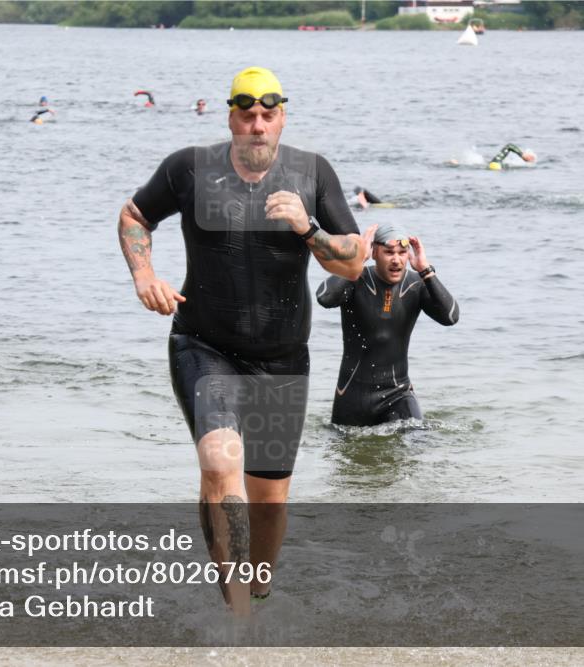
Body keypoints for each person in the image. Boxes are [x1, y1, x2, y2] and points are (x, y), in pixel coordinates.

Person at [117, 66, 364, 614]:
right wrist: (143, 275)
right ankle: (238, 615)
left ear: (281, 119)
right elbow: (136, 215)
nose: (256, 125)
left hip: (281, 357)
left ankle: (257, 586)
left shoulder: (312, 173)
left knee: (269, 500)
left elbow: (351, 263)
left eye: (267, 115)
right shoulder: (189, 168)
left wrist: (308, 227)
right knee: (218, 460)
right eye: (246, 114)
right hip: (203, 344)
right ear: (231, 115)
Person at [317, 222, 459, 426]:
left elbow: (451, 317)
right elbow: (325, 298)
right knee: (350, 454)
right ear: (374, 252)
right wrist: (356, 261)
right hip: (353, 395)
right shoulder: (356, 279)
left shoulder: (416, 284)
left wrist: (426, 271)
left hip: (398, 393)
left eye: (402, 253)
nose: (396, 259)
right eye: (389, 252)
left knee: (415, 439)